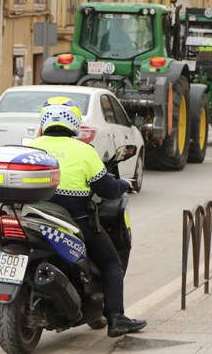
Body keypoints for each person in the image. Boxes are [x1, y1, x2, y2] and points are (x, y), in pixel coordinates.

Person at [27, 97, 147, 337]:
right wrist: (123, 184)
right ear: (74, 122)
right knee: (111, 262)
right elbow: (106, 189)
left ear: (44, 121)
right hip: (75, 221)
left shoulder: (31, 146)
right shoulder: (84, 151)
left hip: (32, 217)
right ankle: (116, 317)